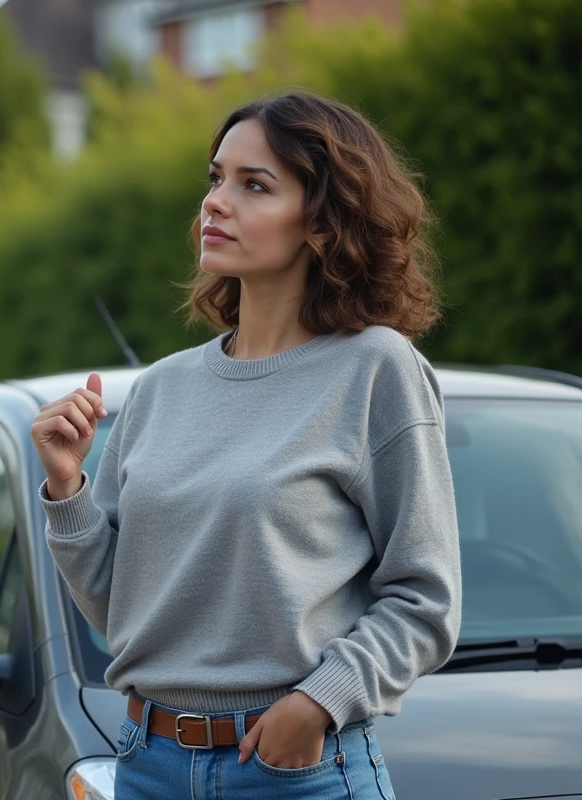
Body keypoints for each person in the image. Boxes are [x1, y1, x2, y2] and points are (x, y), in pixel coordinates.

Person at [30, 91, 461, 798]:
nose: (216, 203)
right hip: (147, 765)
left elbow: (425, 596)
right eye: (215, 178)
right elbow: (126, 617)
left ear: (323, 218)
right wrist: (68, 491)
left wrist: (320, 701)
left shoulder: (375, 369)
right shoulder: (161, 390)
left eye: (253, 185)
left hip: (299, 771)